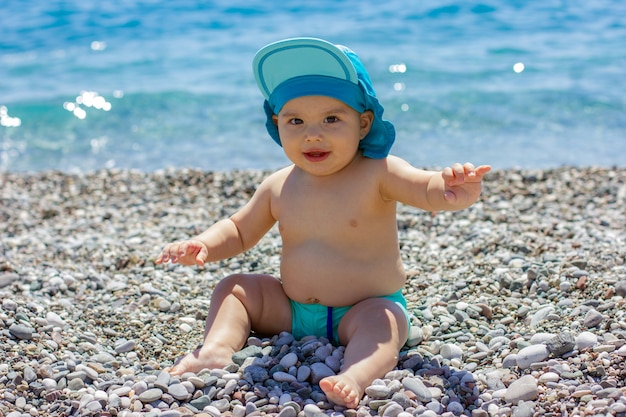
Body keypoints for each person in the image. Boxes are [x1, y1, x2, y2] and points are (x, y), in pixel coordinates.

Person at [155, 37, 490, 409]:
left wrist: (453, 187)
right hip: (293, 308)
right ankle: (215, 351)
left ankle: (354, 375)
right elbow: (238, 229)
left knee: (387, 321)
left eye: (332, 119)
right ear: (276, 124)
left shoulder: (378, 173)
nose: (312, 133)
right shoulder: (279, 184)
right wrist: (203, 244)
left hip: (362, 308)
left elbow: (425, 187)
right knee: (235, 288)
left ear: (363, 124)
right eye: (295, 120)